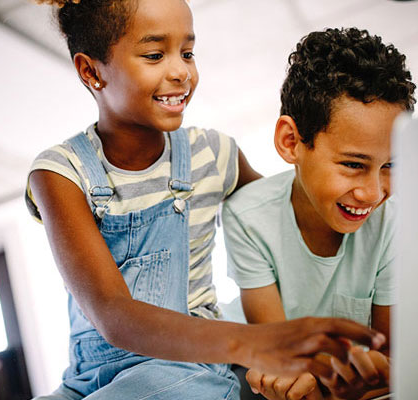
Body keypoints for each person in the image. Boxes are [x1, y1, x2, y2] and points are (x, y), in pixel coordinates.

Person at [26, 1, 386, 398]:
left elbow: (285, 211)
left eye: (187, 52)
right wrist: (260, 341)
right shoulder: (61, 173)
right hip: (86, 383)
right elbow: (115, 317)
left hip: (187, 376)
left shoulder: (213, 154)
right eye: (154, 55)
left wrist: (353, 168)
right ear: (91, 70)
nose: (181, 71)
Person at [222, 27, 416, 400]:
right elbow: (283, 362)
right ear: (291, 142)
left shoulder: (393, 223)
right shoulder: (246, 218)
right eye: (353, 165)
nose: (374, 193)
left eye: (390, 165)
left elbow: (392, 357)